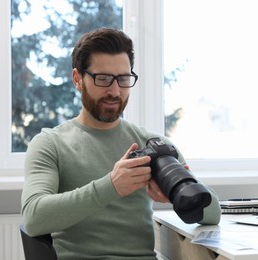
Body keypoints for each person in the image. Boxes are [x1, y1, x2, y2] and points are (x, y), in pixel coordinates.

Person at [21, 28, 221, 260]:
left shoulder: (153, 144)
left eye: (123, 79)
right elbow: (34, 218)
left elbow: (213, 213)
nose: (115, 91)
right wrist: (111, 186)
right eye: (103, 79)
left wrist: (179, 196)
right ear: (78, 79)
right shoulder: (50, 144)